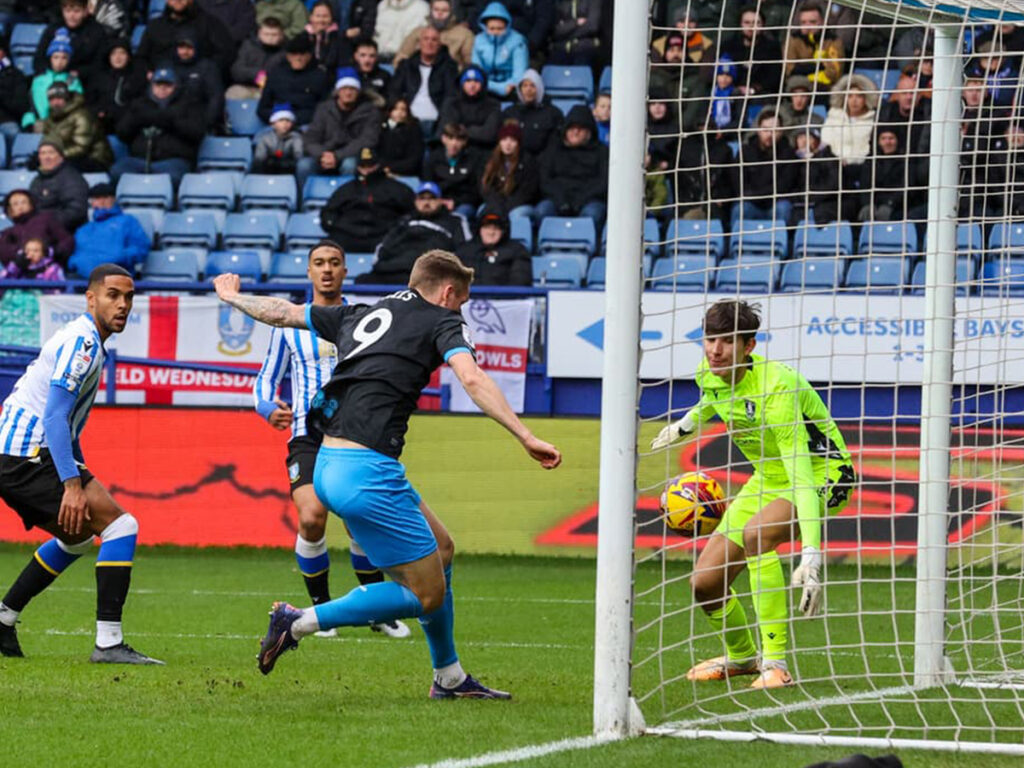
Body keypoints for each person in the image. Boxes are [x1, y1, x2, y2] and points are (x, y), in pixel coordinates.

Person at [212, 250, 561, 694]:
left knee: (442, 548)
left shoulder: (364, 312)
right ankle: (297, 622)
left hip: (331, 462)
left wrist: (232, 298)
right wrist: (524, 436)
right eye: (463, 301)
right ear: (448, 292)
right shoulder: (442, 321)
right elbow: (472, 379)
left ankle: (449, 676)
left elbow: (283, 313)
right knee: (424, 595)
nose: (462, 311)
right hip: (365, 472)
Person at [651, 299, 855, 689]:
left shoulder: (777, 389)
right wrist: (685, 424)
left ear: (749, 346)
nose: (715, 350)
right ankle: (743, 657)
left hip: (823, 474)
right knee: (705, 582)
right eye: (710, 339)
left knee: (757, 534)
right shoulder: (708, 373)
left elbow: (799, 471)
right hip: (767, 477)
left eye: (727, 341)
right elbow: (713, 399)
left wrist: (811, 552)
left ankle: (775, 664)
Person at [0, 264, 163, 665]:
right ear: (91, 298)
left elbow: (66, 430)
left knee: (76, 537)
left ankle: (3, 617)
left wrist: (79, 474)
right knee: (121, 526)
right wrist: (73, 486)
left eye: (128, 297)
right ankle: (108, 643)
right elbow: (54, 418)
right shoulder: (84, 344)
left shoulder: (87, 339)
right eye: (112, 295)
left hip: (15, 452)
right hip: (25, 453)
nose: (122, 304)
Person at [252, 240, 410, 639]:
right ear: (309, 272)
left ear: (344, 271)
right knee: (311, 516)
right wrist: (267, 408)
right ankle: (321, 611)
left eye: (334, 263)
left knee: (361, 524)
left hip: (356, 436)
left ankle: (377, 612)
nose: (326, 269)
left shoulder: (363, 320)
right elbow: (263, 382)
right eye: (319, 263)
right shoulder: (288, 326)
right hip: (307, 435)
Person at [358, 181, 469, 284]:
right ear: (415, 202)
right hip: (395, 271)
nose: (426, 202)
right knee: (362, 280)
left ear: (440, 201)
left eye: (432, 198)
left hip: (429, 273)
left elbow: (465, 250)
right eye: (422, 198)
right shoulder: (404, 221)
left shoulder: (455, 221)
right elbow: (383, 248)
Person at [111, 67, 205, 187]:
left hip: (173, 161)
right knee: (117, 171)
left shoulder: (188, 105)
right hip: (139, 159)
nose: (162, 88)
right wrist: (138, 120)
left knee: (174, 176)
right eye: (158, 84)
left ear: (176, 86)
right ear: (152, 86)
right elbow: (122, 133)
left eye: (168, 85)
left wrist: (168, 120)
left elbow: (196, 133)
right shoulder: (139, 104)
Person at [319, 146, 415, 252]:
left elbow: (413, 212)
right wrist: (335, 225)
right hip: (348, 235)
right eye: (363, 166)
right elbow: (328, 213)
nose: (366, 170)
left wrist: (398, 228)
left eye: (370, 165)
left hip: (384, 236)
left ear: (379, 165)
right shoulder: (346, 189)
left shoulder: (397, 189)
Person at [299, 67, 382, 183]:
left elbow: (368, 140)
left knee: (350, 165)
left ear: (358, 91)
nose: (348, 93)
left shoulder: (370, 111)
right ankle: (302, 199)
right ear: (338, 90)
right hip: (325, 154)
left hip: (351, 155)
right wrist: (323, 154)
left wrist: (337, 156)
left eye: (352, 89)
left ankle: (347, 199)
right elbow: (311, 138)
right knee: (304, 165)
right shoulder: (324, 109)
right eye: (344, 88)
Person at [535, 103, 608, 229]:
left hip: (589, 200)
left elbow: (604, 182)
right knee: (542, 211)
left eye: (580, 128)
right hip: (557, 199)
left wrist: (581, 200)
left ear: (589, 131)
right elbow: (544, 180)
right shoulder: (553, 150)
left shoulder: (602, 152)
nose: (575, 132)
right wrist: (561, 200)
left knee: (593, 214)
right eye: (571, 128)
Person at [386, 24, 459, 137]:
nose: (429, 43)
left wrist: (443, 125)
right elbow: (394, 91)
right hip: (409, 120)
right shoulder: (406, 66)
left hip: (434, 121)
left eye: (434, 40)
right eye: (426, 39)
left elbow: (450, 97)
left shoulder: (449, 67)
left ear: (439, 44)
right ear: (419, 43)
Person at [68, 183, 150, 276]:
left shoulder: (127, 222)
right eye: (93, 199)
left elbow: (140, 248)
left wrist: (119, 257)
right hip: (83, 281)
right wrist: (75, 262)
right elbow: (76, 255)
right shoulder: (85, 229)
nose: (94, 203)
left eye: (97, 198)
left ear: (110, 199)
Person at [136, 0, 233, 77]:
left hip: (198, 88)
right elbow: (141, 57)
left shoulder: (210, 23)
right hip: (161, 85)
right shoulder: (155, 26)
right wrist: (149, 73)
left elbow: (226, 54)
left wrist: (204, 74)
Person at [32, 81, 114, 173]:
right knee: (35, 162)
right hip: (67, 156)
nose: (55, 102)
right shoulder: (51, 118)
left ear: (67, 99)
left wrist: (56, 155)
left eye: (59, 98)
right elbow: (48, 142)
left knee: (62, 166)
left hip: (94, 159)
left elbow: (81, 147)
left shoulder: (82, 115)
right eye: (52, 99)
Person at [734, 109, 797, 223]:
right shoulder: (745, 151)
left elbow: (785, 185)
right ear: (758, 130)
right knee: (740, 210)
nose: (769, 134)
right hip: (751, 202)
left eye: (774, 130)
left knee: (783, 208)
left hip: (776, 202)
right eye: (765, 129)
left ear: (781, 131)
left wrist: (758, 195)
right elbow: (738, 182)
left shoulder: (789, 153)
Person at [257, 34, 332, 127]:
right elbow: (262, 109)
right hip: (277, 125)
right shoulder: (276, 74)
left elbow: (324, 109)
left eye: (302, 54)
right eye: (294, 54)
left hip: (308, 125)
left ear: (309, 55)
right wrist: (280, 118)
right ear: (288, 56)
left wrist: (293, 119)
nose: (298, 58)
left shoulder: (320, 76)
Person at [32, 0, 109, 89]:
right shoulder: (53, 28)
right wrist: (51, 74)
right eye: (68, 11)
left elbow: (100, 63)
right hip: (52, 78)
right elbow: (38, 59)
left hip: (85, 81)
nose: (72, 16)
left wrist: (79, 73)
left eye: (76, 11)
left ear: (85, 11)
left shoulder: (96, 31)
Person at [478, 120, 538, 219]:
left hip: (519, 205)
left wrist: (506, 206)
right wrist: (497, 204)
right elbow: (485, 187)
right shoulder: (490, 160)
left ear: (518, 143)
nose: (508, 144)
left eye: (513, 140)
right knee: (482, 211)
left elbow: (528, 191)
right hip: (496, 203)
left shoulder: (528, 161)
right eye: (504, 139)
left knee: (515, 214)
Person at [423, 122, 482, 220]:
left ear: (465, 142)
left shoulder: (473, 160)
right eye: (450, 138)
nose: (454, 144)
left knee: (458, 217)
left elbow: (476, 192)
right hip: (437, 201)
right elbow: (428, 185)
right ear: (443, 139)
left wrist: (455, 202)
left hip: (463, 204)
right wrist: (439, 201)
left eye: (458, 140)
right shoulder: (433, 158)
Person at [86, 38, 147, 133]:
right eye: (113, 53)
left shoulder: (137, 78)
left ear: (128, 56)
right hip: (102, 123)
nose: (118, 57)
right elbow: (90, 101)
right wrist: (99, 112)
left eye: (122, 53)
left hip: (127, 126)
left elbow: (139, 104)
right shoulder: (99, 77)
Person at [455, 209, 530, 285]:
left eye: (496, 228)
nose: (491, 232)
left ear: (503, 231)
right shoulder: (464, 251)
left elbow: (520, 282)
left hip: (505, 296)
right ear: (479, 229)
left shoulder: (518, 251)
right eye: (487, 227)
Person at [29, 139, 90, 232]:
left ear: (61, 156)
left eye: (51, 152)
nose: (46, 157)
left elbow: (76, 211)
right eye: (42, 153)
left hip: (64, 232)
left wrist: (45, 223)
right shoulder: (36, 180)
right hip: (39, 230)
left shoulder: (72, 178)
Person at [23, 36, 84, 129]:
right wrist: (29, 123)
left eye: (64, 58)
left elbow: (77, 105)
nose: (59, 62)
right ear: (50, 58)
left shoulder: (72, 79)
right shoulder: (38, 79)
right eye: (56, 57)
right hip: (40, 124)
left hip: (65, 125)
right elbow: (30, 106)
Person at [0, 190, 73, 267]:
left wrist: (52, 252)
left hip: (48, 268)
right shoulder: (8, 232)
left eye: (24, 202)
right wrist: (18, 256)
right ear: (10, 210)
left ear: (31, 205)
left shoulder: (46, 220)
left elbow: (67, 240)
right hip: (22, 271)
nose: (20, 206)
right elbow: (3, 250)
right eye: (15, 204)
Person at [393, 0, 474, 69]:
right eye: (436, 10)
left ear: (451, 13)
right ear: (431, 11)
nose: (439, 13)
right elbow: (401, 57)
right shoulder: (418, 32)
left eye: (444, 10)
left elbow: (470, 63)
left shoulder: (464, 34)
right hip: (417, 78)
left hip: (450, 79)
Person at [471, 2, 528, 100]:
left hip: (511, 90)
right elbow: (477, 71)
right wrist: (498, 88)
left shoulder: (518, 41)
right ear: (485, 27)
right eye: (492, 29)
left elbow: (519, 75)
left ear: (507, 26)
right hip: (486, 88)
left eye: (500, 28)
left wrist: (508, 86)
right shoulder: (478, 41)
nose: (495, 32)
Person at [783, 1, 845, 90]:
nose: (807, 26)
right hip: (798, 89)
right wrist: (820, 66)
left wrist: (804, 70)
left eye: (812, 22)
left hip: (826, 89)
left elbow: (834, 73)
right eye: (803, 22)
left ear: (822, 22)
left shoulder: (833, 41)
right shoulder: (793, 40)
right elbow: (790, 69)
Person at [172, 32, 225, 131]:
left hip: (199, 120)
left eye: (189, 48)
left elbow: (215, 97)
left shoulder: (208, 67)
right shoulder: (168, 66)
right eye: (181, 47)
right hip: (172, 120)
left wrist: (206, 122)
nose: (185, 52)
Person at [503, 68, 562, 159]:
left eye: (532, 86)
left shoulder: (553, 113)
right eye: (525, 86)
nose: (528, 90)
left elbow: (554, 146)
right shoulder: (509, 112)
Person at [439, 65, 500, 150]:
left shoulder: (493, 105)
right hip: (455, 151)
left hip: (483, 152)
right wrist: (474, 130)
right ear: (461, 83)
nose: (472, 85)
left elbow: (489, 134)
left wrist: (462, 129)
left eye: (476, 81)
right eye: (468, 81)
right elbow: (448, 131)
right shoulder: (451, 103)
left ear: (483, 84)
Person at [228, 16, 286, 101]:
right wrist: (257, 74)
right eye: (266, 34)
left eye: (274, 35)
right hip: (246, 87)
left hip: (273, 90)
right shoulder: (248, 45)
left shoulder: (286, 51)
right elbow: (236, 70)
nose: (270, 38)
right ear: (259, 33)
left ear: (281, 35)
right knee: (233, 93)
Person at [377, 97, 424, 176]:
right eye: (395, 109)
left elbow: (415, 158)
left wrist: (391, 168)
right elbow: (375, 152)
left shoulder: (414, 129)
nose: (399, 112)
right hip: (381, 171)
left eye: (403, 109)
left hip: (406, 173)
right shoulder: (381, 128)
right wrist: (383, 168)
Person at [253, 103, 304, 175]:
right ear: (273, 123)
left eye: (288, 120)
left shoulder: (296, 138)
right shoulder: (265, 139)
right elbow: (259, 159)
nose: (285, 124)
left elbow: (298, 157)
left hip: (289, 171)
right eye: (281, 120)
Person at [548, 0, 602, 66]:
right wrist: (575, 23)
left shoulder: (593, 2)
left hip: (585, 49)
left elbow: (592, 26)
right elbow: (555, 31)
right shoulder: (560, 3)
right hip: (561, 50)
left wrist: (565, 29)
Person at [0, 36, 30, 149]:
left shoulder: (15, 75)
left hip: (6, 120)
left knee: (14, 133)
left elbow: (20, 106)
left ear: (3, 52)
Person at [306, 1, 348, 73]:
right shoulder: (303, 37)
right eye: (318, 16)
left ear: (331, 18)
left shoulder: (339, 38)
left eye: (325, 16)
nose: (321, 20)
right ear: (311, 18)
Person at [0, 237, 65, 282]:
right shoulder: (19, 268)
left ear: (43, 253)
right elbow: (3, 280)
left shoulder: (52, 268)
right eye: (28, 250)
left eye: (36, 251)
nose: (31, 254)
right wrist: (15, 265)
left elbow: (59, 288)